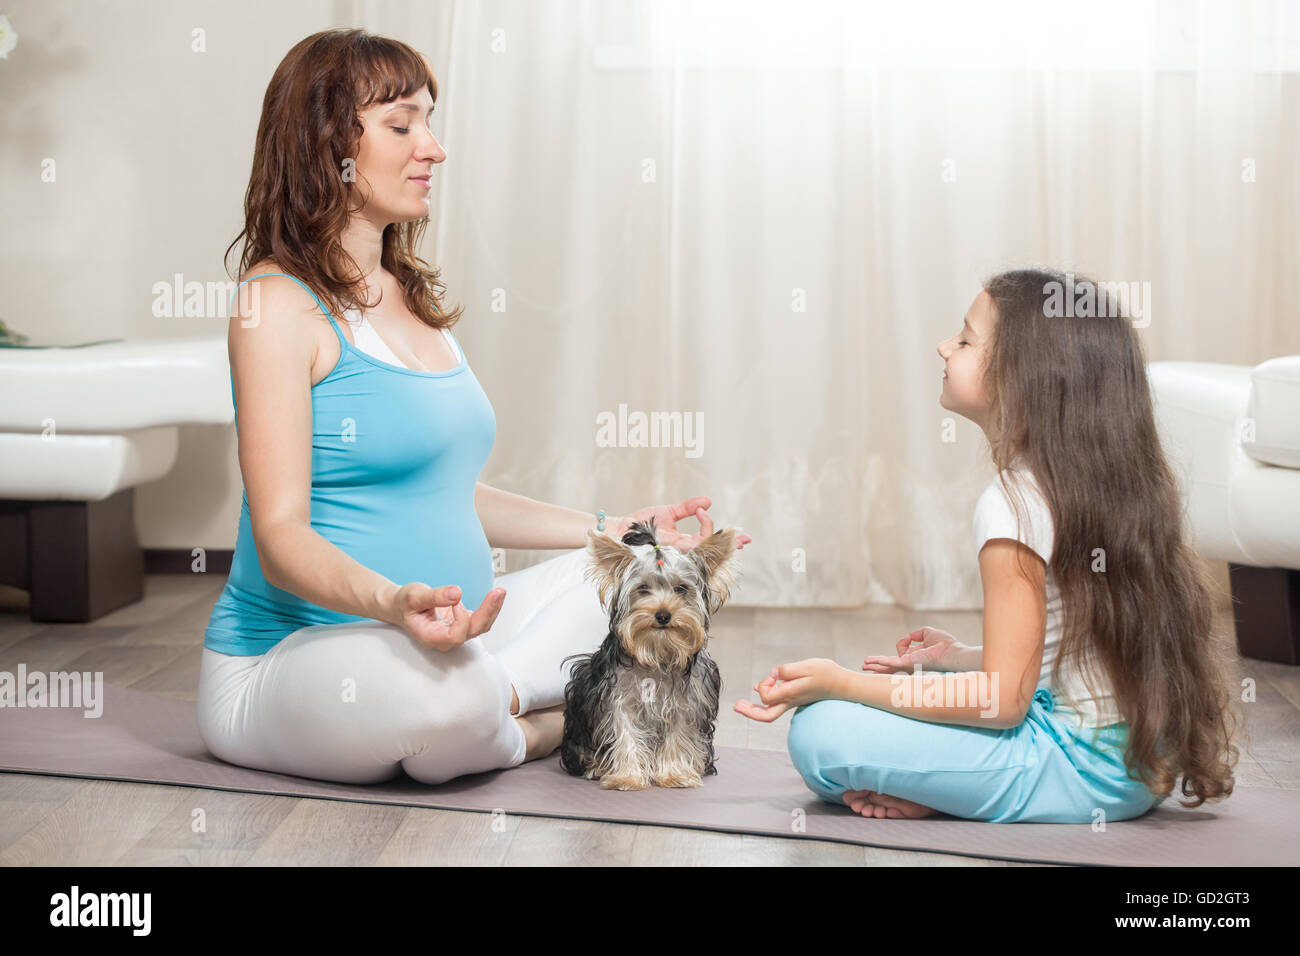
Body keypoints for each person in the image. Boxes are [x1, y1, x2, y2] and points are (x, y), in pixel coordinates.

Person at [197, 29, 750, 787]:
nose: (433, 147)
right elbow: (281, 531)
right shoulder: (275, 306)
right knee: (444, 694)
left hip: (460, 640)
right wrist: (393, 602)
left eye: (430, 119)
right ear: (329, 145)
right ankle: (546, 722)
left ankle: (495, 704)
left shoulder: (405, 293)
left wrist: (615, 528)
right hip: (296, 658)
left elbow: (449, 493)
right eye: (401, 126)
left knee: (616, 582)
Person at [737, 269, 1240, 823]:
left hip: (1080, 770)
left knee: (820, 731)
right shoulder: (1093, 483)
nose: (943, 346)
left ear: (1022, 378)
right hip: (1139, 767)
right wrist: (956, 661)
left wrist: (845, 684)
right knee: (876, 715)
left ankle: (947, 785)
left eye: (966, 339)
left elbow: (1002, 702)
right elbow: (1067, 656)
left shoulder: (1013, 504)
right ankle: (948, 784)